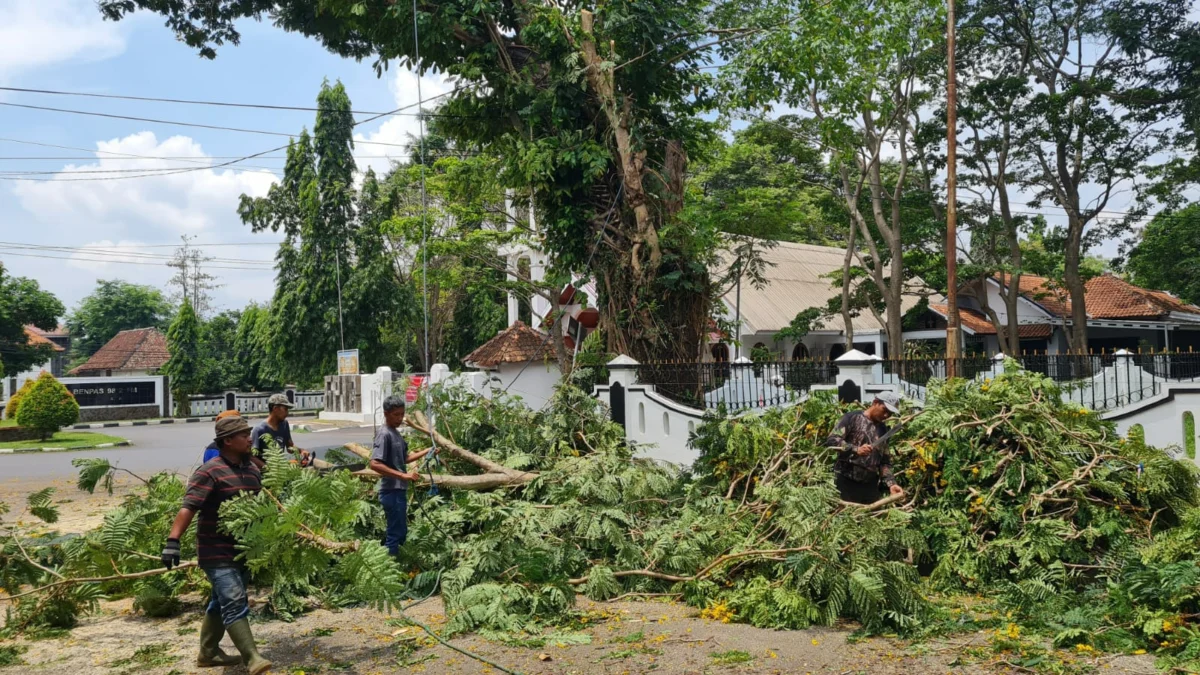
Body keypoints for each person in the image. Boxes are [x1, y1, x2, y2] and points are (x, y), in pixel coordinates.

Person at [162, 416, 271, 674]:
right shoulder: (209, 471)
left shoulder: (252, 469)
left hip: (245, 550)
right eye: (244, 435)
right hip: (216, 550)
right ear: (227, 441)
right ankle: (252, 657)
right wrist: (172, 541)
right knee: (234, 600)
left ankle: (208, 652)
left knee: (221, 600)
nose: (249, 438)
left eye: (249, 433)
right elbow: (189, 507)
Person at [368, 396, 431, 557]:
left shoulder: (395, 433)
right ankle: (389, 571)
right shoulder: (384, 434)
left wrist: (428, 451)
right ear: (386, 414)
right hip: (391, 491)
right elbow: (374, 464)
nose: (400, 418)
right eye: (396, 415)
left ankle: (395, 566)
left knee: (401, 532)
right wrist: (403, 475)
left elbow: (405, 458)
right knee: (395, 535)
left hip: (398, 491)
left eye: (402, 414)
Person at [827, 392, 906, 505]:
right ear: (875, 403)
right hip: (845, 482)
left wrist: (891, 483)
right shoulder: (851, 418)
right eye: (884, 410)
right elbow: (832, 439)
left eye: (890, 413)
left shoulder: (883, 430)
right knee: (845, 518)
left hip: (870, 486)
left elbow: (884, 462)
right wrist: (855, 449)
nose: (886, 415)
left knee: (871, 520)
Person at [250, 394, 311, 467]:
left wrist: (301, 451)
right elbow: (251, 456)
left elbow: (290, 448)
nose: (287, 413)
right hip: (266, 473)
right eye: (285, 409)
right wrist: (266, 468)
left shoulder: (284, 424)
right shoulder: (259, 429)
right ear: (275, 408)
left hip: (279, 468)